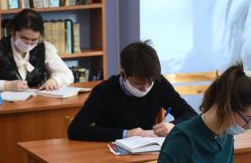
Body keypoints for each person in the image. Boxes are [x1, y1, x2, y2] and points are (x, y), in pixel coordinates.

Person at [67, 40, 197, 142]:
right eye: (138, 84)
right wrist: (126, 134)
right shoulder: (104, 91)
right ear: (123, 73)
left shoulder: (159, 83)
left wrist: (173, 126)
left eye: (150, 82)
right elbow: (76, 129)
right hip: (111, 152)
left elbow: (191, 115)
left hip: (147, 150)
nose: (145, 88)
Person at [0, 8, 74, 92]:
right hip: (4, 106)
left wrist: (54, 81)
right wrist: (6, 85)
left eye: (34, 40)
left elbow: (67, 74)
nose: (29, 43)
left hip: (38, 104)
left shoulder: (44, 48)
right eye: (24, 39)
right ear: (13, 31)